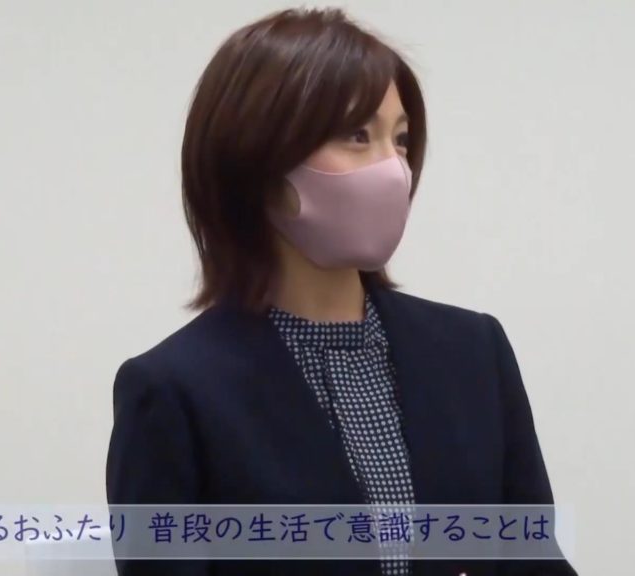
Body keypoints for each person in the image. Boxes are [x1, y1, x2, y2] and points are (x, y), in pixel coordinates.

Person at [105, 7, 577, 576]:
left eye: (401, 140)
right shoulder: (173, 392)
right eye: (357, 135)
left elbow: (534, 561)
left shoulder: (474, 351)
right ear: (258, 160)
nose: (393, 168)